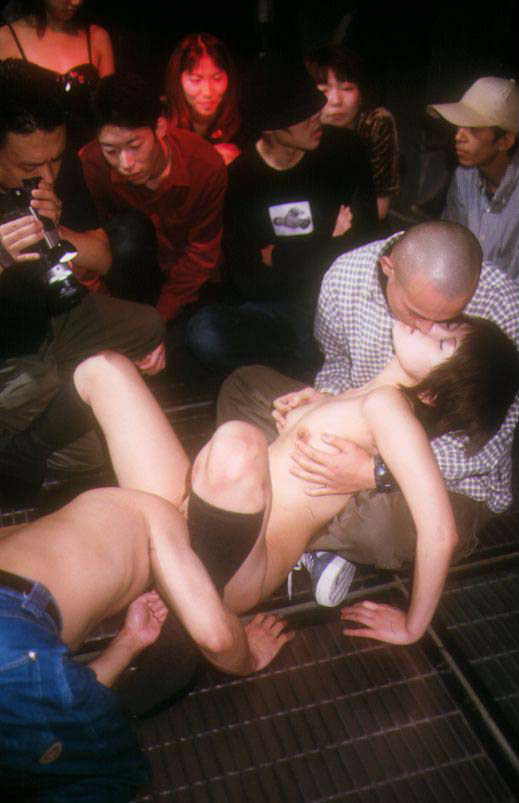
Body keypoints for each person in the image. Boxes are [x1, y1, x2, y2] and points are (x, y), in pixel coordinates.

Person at [217, 221, 519, 602]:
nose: (426, 328)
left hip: (447, 476)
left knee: (380, 527)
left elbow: (487, 441)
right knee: (244, 387)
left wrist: (376, 472)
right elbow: (337, 362)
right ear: (389, 268)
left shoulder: (504, 302)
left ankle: (290, 535)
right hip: (357, 418)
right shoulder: (346, 275)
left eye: (447, 322)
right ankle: (310, 536)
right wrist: (323, 398)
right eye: (416, 312)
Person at [0, 474, 292, 800]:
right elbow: (216, 639)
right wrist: (249, 657)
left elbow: (51, 692)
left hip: (15, 632)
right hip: (12, 639)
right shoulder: (163, 521)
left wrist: (130, 641)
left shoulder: (68, 517)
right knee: (105, 773)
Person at [0, 59, 165, 502]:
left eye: (55, 159)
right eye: (31, 164)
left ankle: (55, 396)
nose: (47, 175)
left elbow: (104, 258)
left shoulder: (51, 162)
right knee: (91, 457)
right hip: (5, 351)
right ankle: (22, 444)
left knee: (150, 326)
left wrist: (57, 228)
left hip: (46, 319)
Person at [185, 59, 378, 381]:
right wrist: (329, 240)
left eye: (315, 107)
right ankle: (315, 366)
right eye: (303, 115)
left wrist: (282, 256)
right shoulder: (241, 180)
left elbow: (365, 245)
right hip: (285, 311)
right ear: (271, 127)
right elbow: (250, 283)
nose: (317, 117)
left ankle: (307, 365)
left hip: (345, 302)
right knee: (205, 332)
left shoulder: (345, 150)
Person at [79, 71, 227, 323]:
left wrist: (159, 318)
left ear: (160, 127)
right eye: (111, 150)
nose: (125, 163)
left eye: (135, 146)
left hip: (187, 283)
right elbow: (87, 246)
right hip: (127, 281)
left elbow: (202, 254)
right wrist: (110, 315)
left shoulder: (204, 165)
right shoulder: (92, 164)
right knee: (127, 231)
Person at [427, 76, 519, 280]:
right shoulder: (464, 178)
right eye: (460, 126)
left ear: (505, 141)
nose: (458, 136)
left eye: (474, 129)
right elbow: (448, 246)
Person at [0, 0, 114, 148]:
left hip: (90, 157)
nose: (76, 2)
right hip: (32, 157)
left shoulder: (96, 37)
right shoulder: (5, 40)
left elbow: (113, 117)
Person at [305, 45, 400, 221]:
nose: (336, 101)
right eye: (324, 91)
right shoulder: (299, 132)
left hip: (361, 228)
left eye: (347, 88)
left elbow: (379, 208)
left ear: (361, 93)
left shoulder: (375, 123)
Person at [165, 31, 241, 166]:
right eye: (196, 80)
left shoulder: (243, 123)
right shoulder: (162, 128)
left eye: (217, 79)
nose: (208, 92)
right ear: (177, 81)